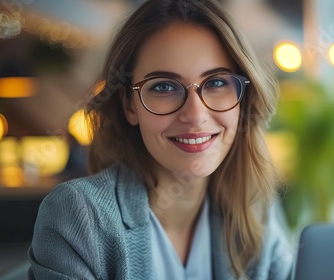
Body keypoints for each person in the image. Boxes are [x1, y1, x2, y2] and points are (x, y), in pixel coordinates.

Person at [28, 0, 295, 279]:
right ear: (130, 105)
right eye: (164, 87)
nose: (195, 115)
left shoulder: (255, 208)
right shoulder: (78, 216)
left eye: (216, 82)